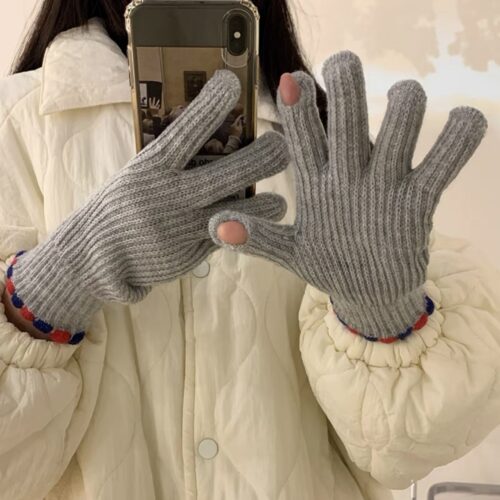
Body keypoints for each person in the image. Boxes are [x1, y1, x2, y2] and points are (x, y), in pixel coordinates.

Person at [0, 2, 499, 500]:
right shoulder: (14, 121)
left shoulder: (330, 147)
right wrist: (55, 283)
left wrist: (382, 317)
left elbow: (411, 446)